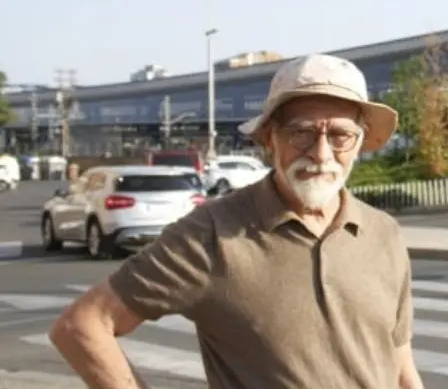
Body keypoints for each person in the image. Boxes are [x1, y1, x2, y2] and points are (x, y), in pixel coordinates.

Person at [47, 54, 425, 389]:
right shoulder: (211, 234)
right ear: (269, 138)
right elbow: (81, 327)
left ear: (359, 143)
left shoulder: (382, 232)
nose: (322, 153)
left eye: (341, 135)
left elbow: (400, 367)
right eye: (301, 133)